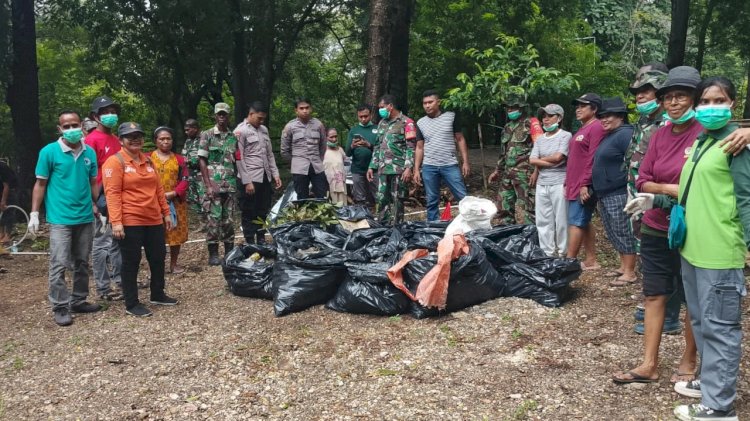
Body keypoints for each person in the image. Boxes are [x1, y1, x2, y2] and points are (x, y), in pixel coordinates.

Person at [613, 66, 703, 386]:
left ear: (695, 99)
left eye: (681, 96)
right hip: (654, 225)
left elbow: (703, 184)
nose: (674, 102)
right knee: (654, 294)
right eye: (669, 97)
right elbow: (643, 179)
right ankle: (648, 363)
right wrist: (672, 189)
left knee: (693, 297)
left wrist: (664, 186)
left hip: (694, 228)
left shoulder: (705, 133)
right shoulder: (658, 134)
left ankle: (689, 358)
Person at [670, 77, 748, 421]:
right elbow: (694, 192)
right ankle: (712, 382)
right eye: (706, 100)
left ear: (732, 104)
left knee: (720, 327)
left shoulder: (736, 144)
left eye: (720, 100)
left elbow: (745, 199)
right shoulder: (704, 141)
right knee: (702, 321)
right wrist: (654, 198)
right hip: (693, 248)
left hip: (720, 250)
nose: (711, 106)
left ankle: (719, 407)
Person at [29, 110, 102, 326]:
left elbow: (92, 183)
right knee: (59, 263)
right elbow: (40, 184)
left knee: (81, 261)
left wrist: (98, 207)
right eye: (66, 126)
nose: (71, 129)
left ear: (81, 126)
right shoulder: (49, 152)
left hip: (85, 216)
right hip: (60, 218)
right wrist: (34, 213)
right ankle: (60, 306)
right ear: (60, 129)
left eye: (75, 125)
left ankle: (78, 300)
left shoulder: (89, 153)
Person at [102, 122, 176, 317]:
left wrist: (166, 212)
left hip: (153, 218)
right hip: (130, 219)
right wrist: (116, 222)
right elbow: (112, 193)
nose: (135, 140)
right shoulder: (115, 162)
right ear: (121, 140)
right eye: (129, 136)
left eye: (138, 136)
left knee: (158, 257)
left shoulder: (148, 160)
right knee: (131, 261)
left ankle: (157, 293)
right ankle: (131, 303)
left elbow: (158, 189)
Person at [592, 97, 638, 285]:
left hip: (618, 191)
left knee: (622, 229)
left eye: (608, 115)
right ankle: (622, 266)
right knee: (612, 230)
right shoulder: (610, 134)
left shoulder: (626, 134)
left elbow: (634, 161)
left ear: (620, 116)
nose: (604, 119)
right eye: (601, 116)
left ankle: (630, 271)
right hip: (605, 192)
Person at [85, 95, 123, 301]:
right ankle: (102, 287)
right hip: (100, 198)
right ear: (95, 116)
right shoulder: (91, 140)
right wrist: (92, 201)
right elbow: (85, 174)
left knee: (117, 241)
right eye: (105, 112)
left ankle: (120, 281)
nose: (110, 115)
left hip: (117, 196)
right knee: (101, 243)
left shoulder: (117, 139)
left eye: (113, 111)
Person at [413, 89, 469, 221]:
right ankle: (434, 227)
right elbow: (420, 147)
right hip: (429, 166)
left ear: (438, 102)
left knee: (462, 196)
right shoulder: (420, 123)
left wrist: (465, 162)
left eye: (430, 102)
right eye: (424, 103)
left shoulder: (450, 116)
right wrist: (416, 169)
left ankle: (470, 224)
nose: (427, 105)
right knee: (432, 200)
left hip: (449, 164)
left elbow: (460, 139)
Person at [565, 93, 605, 270]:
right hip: (574, 182)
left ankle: (568, 262)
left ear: (594, 109)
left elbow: (593, 157)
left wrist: (585, 183)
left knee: (576, 221)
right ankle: (591, 260)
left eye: (583, 106)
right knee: (584, 220)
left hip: (584, 184)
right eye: (577, 106)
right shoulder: (582, 128)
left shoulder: (596, 127)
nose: (578, 109)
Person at [234, 101, 282, 244]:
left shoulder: (264, 130)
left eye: (263, 119)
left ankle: (261, 237)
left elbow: (270, 154)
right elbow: (238, 158)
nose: (261, 121)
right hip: (250, 177)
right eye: (259, 118)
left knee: (263, 208)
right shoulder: (240, 131)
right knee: (249, 210)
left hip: (264, 177)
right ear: (251, 114)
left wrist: (275, 174)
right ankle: (249, 240)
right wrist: (247, 181)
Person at [366, 94, 417, 224]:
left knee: (397, 201)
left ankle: (397, 228)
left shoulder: (407, 123)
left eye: (382, 107)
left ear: (390, 106)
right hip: (383, 170)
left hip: (398, 170)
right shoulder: (382, 124)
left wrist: (408, 168)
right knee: (382, 199)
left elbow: (411, 147)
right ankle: (383, 227)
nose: (380, 110)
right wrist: (372, 166)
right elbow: (377, 146)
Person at [198, 103, 238, 265]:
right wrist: (207, 185)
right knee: (213, 220)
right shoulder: (207, 135)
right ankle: (213, 254)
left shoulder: (233, 137)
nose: (222, 117)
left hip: (229, 185)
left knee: (228, 220)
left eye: (225, 114)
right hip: (213, 185)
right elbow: (202, 160)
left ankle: (229, 253)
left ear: (229, 116)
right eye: (219, 114)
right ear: (215, 116)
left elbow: (236, 160)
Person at [529, 104, 571, 256]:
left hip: (560, 182)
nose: (545, 119)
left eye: (549, 116)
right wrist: (550, 162)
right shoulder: (540, 139)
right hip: (542, 183)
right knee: (543, 219)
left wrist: (542, 161)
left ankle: (563, 252)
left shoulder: (565, 136)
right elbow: (532, 160)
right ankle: (547, 252)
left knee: (561, 219)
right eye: (543, 116)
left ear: (559, 118)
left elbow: (559, 157)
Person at [488, 97, 535, 225]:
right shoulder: (507, 127)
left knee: (527, 208)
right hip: (508, 174)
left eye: (513, 107)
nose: (510, 110)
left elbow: (540, 148)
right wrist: (497, 170)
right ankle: (506, 232)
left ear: (521, 108)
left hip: (525, 174)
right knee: (503, 206)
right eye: (508, 108)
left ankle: (530, 236)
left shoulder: (532, 124)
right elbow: (503, 152)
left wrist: (536, 171)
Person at [151, 127, 189, 274]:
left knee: (175, 232)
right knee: (155, 234)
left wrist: (174, 193)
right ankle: (157, 266)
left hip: (175, 202)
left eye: (168, 139)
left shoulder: (179, 159)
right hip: (153, 202)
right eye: (162, 139)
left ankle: (174, 264)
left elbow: (185, 179)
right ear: (156, 141)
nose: (165, 141)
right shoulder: (148, 158)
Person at [280, 97, 328, 200]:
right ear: (296, 110)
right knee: (302, 197)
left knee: (321, 195)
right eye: (301, 108)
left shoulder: (318, 125)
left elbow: (323, 145)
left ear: (311, 108)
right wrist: (294, 163)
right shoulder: (290, 127)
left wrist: (319, 159)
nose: (305, 111)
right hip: (299, 168)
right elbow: (284, 150)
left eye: (307, 108)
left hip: (317, 166)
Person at [346, 104, 378, 206]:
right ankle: (362, 218)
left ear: (370, 115)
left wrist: (369, 145)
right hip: (357, 169)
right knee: (359, 198)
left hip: (375, 169)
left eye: (366, 116)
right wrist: (352, 146)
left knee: (378, 195)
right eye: (361, 117)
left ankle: (380, 217)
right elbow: (347, 152)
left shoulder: (377, 129)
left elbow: (382, 150)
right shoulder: (354, 130)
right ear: (357, 116)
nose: (363, 119)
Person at [181, 119, 207, 224]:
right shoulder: (188, 141)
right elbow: (183, 155)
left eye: (188, 130)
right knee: (194, 198)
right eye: (185, 130)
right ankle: (202, 223)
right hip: (190, 174)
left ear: (195, 128)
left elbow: (203, 157)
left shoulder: (203, 139)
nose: (186, 132)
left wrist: (189, 161)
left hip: (201, 174)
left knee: (204, 198)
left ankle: (209, 223)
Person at [324, 128, 347, 206]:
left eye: (335, 136)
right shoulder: (322, 151)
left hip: (341, 183)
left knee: (343, 205)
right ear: (326, 137)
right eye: (331, 137)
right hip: (329, 184)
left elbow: (344, 161)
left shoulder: (340, 150)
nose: (334, 139)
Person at [0, 160, 18, 244]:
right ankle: (1, 233)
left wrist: (3, 201)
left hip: (9, 191)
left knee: (8, 213)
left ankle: (7, 235)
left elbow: (6, 186)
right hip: (1, 190)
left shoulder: (3, 167)